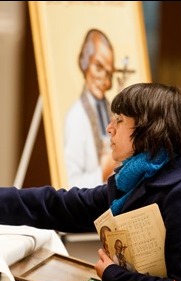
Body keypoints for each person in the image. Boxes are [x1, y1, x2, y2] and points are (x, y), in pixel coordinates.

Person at [0, 82, 181, 281]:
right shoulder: (134, 182)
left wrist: (115, 276)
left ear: (150, 130)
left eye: (119, 120)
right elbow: (57, 205)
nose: (109, 129)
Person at [63, 28, 118, 188]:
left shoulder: (110, 110)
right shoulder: (77, 117)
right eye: (98, 67)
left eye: (108, 73)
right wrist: (104, 170)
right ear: (85, 63)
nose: (104, 79)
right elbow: (69, 184)